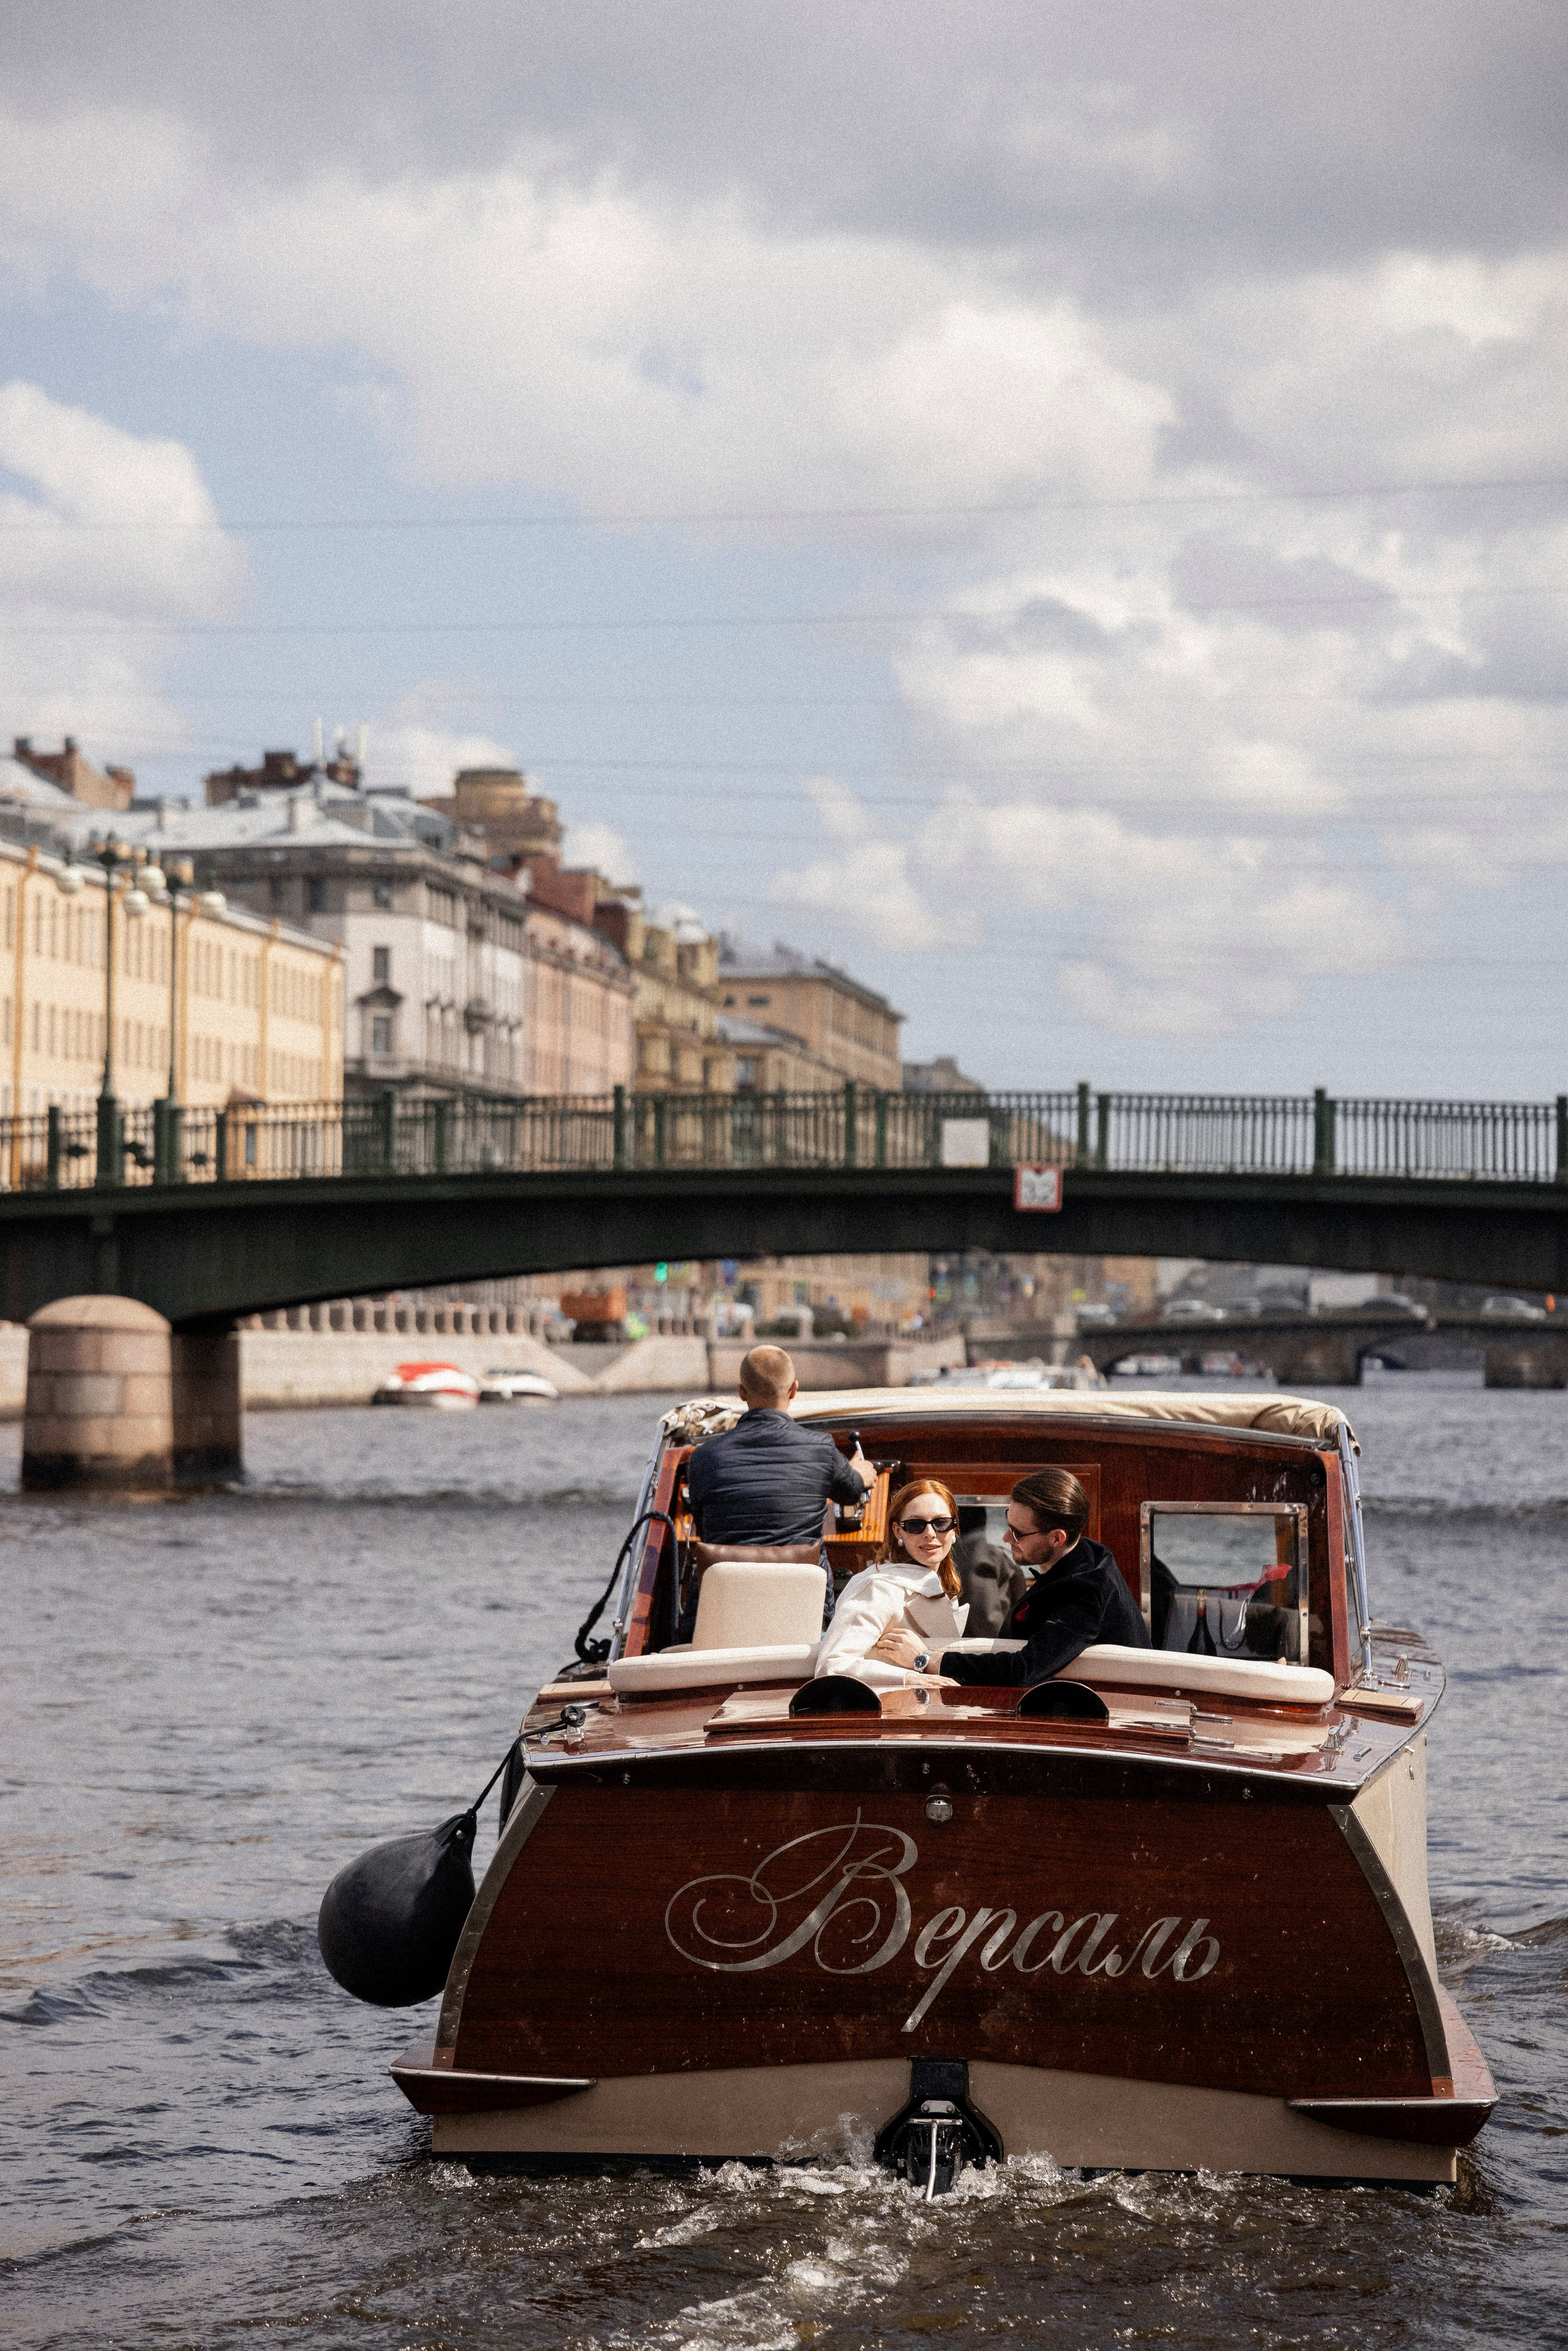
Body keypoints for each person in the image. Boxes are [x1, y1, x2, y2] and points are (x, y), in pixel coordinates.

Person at [870, 1466, 1147, 1686]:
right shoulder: (1087, 1553)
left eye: (1018, 1533)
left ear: (1056, 1538)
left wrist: (924, 1659)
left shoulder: (1085, 1593)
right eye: (1007, 1523)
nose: (1005, 1538)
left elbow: (1023, 1671)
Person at [685, 1345, 873, 1549]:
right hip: (803, 1581)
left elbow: (704, 1528)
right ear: (794, 1390)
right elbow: (851, 1493)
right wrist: (859, 1474)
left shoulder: (704, 1457)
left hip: (724, 1580)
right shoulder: (821, 1448)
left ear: (742, 1392)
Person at [813, 1479, 968, 1686]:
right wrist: (910, 1677)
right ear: (898, 1532)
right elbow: (831, 1665)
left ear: (954, 1529)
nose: (930, 1533)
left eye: (941, 1523)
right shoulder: (878, 1589)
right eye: (916, 1525)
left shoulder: (942, 1587)